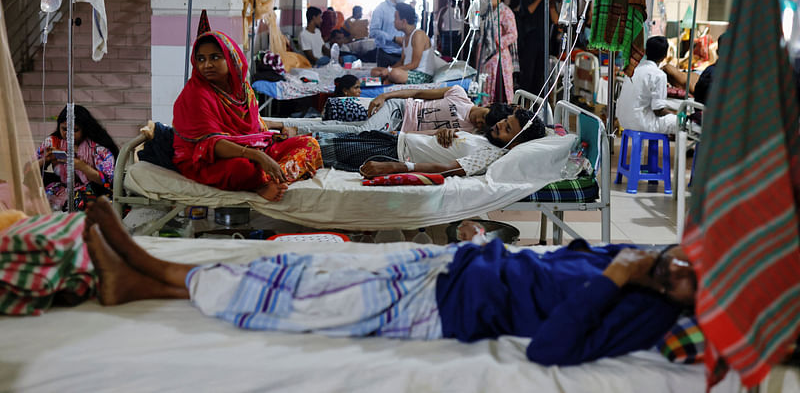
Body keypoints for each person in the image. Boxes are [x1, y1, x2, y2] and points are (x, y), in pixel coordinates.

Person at [82, 196, 695, 366]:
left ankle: (149, 264)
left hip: (440, 307)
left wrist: (615, 276)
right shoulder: (646, 265)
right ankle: (135, 282)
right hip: (450, 270)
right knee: (293, 267)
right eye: (696, 257)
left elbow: (550, 348)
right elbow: (561, 266)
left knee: (295, 296)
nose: (684, 265)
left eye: (697, 279)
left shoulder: (645, 313)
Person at [172, 30, 322, 202]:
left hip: (250, 150)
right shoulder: (196, 94)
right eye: (201, 59)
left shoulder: (243, 90)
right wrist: (258, 156)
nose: (207, 65)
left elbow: (253, 123)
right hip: (209, 159)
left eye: (214, 57)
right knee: (242, 168)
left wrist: (279, 127)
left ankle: (271, 180)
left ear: (231, 58)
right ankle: (266, 181)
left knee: (309, 144)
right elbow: (211, 144)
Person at [318, 108, 544, 176]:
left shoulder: (493, 155)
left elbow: (447, 168)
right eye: (504, 120)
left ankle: (284, 156)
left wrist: (396, 167)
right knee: (325, 142)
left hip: (392, 154)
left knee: (321, 152)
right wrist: (441, 131)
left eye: (507, 128)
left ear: (515, 143)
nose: (498, 125)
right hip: (395, 140)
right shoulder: (486, 140)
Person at [289, 86, 507, 136]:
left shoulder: (471, 133)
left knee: (346, 128)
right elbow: (420, 92)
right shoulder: (458, 93)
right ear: (487, 106)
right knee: (360, 132)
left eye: (483, 126)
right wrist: (385, 96)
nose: (479, 123)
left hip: (397, 133)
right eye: (483, 118)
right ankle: (290, 127)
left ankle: (286, 126)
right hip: (397, 111)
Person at [36, 105, 118, 211]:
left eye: (75, 130)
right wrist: (45, 160)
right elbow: (28, 171)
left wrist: (82, 166)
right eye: (64, 129)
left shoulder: (98, 148)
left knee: (87, 202)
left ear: (85, 129)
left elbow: (108, 182)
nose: (68, 134)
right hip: (63, 188)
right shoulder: (53, 143)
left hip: (93, 190)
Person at [616, 36, 677, 134]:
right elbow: (658, 110)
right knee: (680, 122)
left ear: (645, 51)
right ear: (664, 55)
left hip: (623, 121)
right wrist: (675, 114)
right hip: (641, 123)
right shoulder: (659, 75)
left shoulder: (633, 69)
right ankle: (683, 149)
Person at [371, 3, 435, 85]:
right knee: (375, 71)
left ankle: (388, 81)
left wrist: (390, 71)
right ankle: (388, 80)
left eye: (395, 18)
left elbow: (414, 64)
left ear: (404, 21)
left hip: (421, 75)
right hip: (408, 72)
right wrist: (388, 69)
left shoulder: (418, 35)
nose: (393, 21)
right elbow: (402, 62)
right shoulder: (405, 37)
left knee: (394, 74)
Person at [518, 0, 560, 97]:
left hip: (544, 42)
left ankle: (537, 102)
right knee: (528, 73)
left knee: (539, 75)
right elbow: (529, 11)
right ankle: (523, 100)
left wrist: (551, 3)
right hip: (529, 41)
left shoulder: (551, 2)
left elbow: (556, 20)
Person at [482, 0, 518, 104]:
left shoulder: (506, 12)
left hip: (500, 57)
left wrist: (497, 41)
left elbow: (513, 34)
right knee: (488, 88)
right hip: (488, 57)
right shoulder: (489, 12)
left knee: (500, 90)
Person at [370, 0, 407, 67]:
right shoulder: (381, 9)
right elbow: (373, 31)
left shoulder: (404, 8)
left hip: (402, 55)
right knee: (385, 79)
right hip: (386, 55)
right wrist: (394, 38)